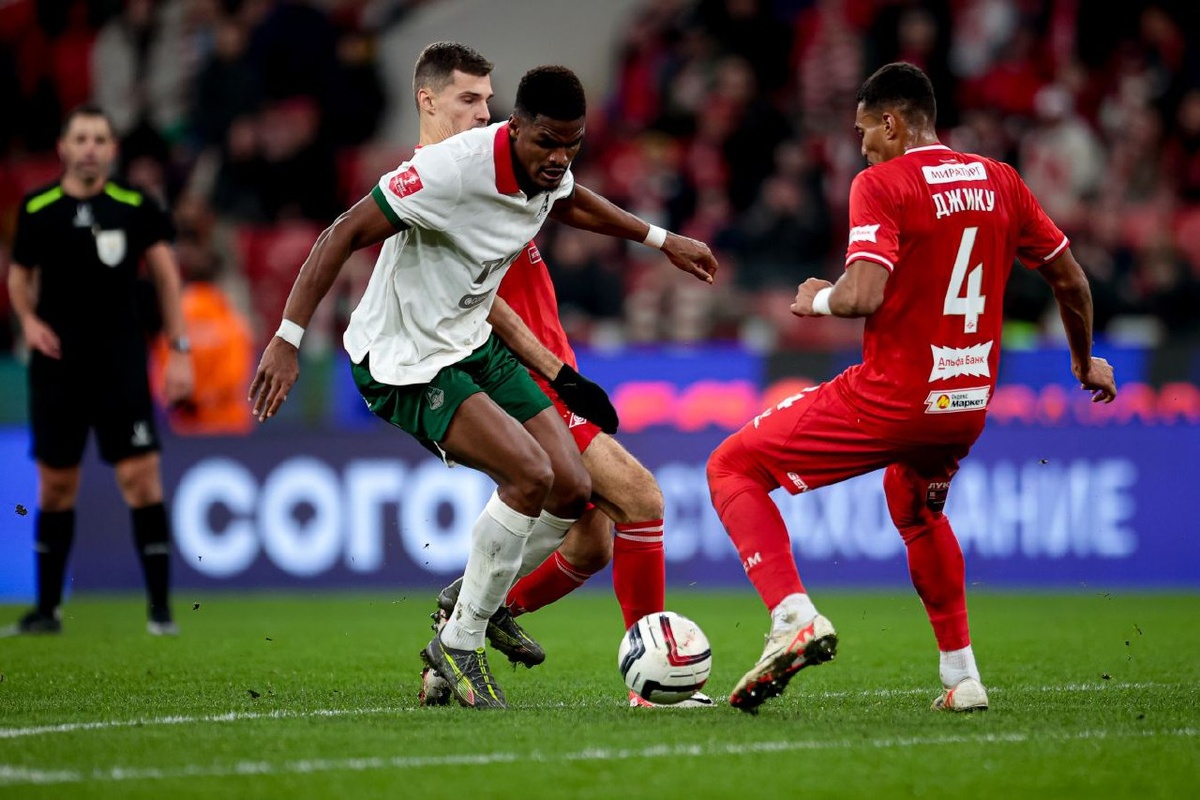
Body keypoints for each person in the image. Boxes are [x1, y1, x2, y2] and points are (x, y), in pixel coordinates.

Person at [248, 63, 717, 710]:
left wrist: (660, 240)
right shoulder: (449, 171)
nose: (560, 158)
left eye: (573, 145)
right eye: (547, 142)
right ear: (514, 127)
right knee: (532, 476)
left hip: (471, 345)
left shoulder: (547, 171)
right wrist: (288, 337)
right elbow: (344, 232)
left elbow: (570, 199)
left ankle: (470, 602)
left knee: (571, 486)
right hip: (407, 360)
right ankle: (462, 638)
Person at [706, 62, 1117, 713]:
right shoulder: (1002, 180)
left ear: (893, 123)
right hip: (965, 402)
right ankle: (963, 678)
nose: (862, 145)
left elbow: (862, 295)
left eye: (865, 130)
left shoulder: (883, 183)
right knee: (915, 503)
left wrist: (817, 299)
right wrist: (1084, 360)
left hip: (892, 398)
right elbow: (1070, 280)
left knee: (731, 466)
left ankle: (792, 618)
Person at [401, 42, 713, 708]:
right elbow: (467, 296)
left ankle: (464, 626)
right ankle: (652, 681)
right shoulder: (438, 186)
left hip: (552, 367)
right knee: (642, 498)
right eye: (468, 99)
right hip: (519, 376)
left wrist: (661, 240)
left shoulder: (507, 173)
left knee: (594, 540)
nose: (482, 111)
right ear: (427, 102)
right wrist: (543, 368)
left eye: (487, 100)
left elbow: (573, 200)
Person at [4, 104, 194, 637]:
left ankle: (160, 612)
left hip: (121, 363)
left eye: (99, 139)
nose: (90, 148)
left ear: (112, 150)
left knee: (141, 478)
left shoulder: (135, 206)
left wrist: (179, 349)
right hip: (58, 366)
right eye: (81, 138)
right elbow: (18, 277)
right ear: (63, 148)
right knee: (55, 487)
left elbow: (166, 278)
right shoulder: (38, 207)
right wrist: (28, 321)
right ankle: (46, 612)